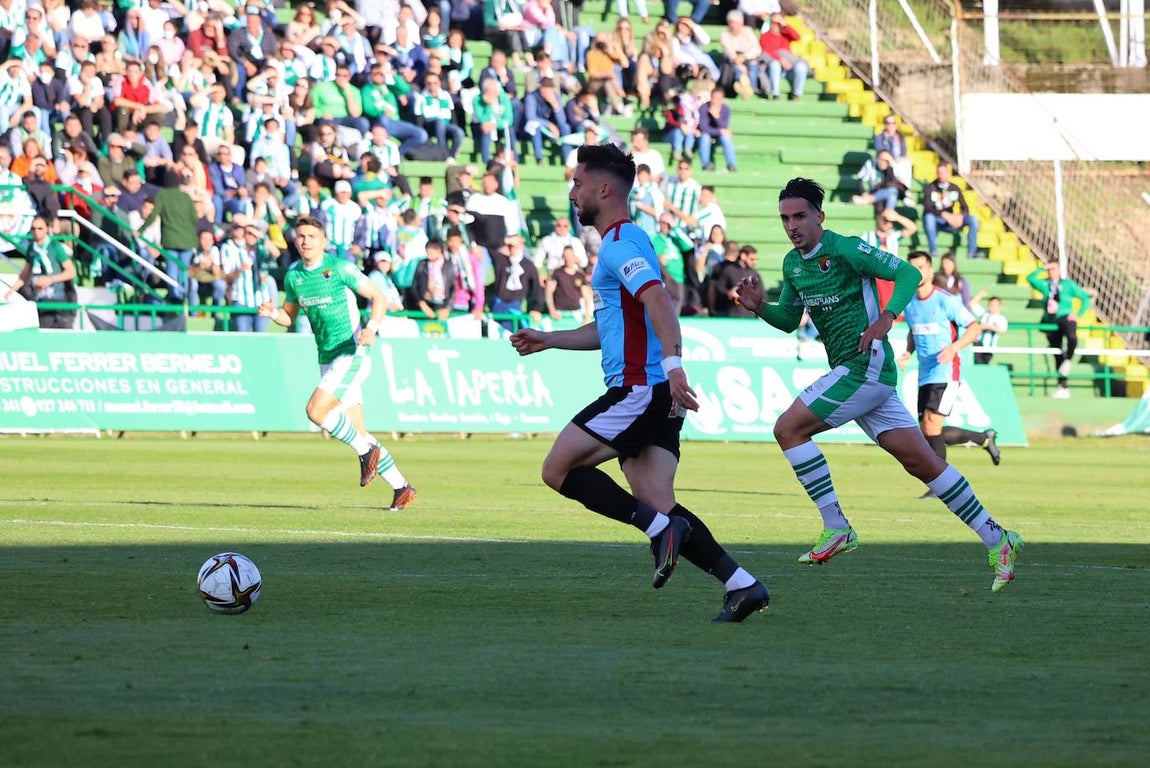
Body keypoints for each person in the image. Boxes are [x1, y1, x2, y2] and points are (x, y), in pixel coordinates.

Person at [510, 144, 769, 622]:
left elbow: (660, 304)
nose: (573, 193)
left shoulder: (622, 244)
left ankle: (656, 529)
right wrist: (548, 338)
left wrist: (673, 368)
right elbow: (609, 328)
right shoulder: (627, 242)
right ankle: (742, 584)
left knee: (558, 471)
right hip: (654, 393)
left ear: (603, 189)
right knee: (659, 501)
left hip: (641, 390)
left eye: (578, 184)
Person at [733, 177, 1023, 593]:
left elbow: (905, 273)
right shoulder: (793, 265)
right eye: (785, 218)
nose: (792, 225)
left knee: (788, 428)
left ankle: (836, 526)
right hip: (860, 373)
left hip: (864, 365)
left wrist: (886, 317)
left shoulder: (846, 249)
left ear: (820, 216)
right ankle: (999, 538)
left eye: (800, 216)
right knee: (922, 463)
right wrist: (760, 307)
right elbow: (788, 321)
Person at [258, 215, 418, 512]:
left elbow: (378, 297)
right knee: (359, 432)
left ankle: (365, 452)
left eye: (311, 236)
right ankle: (402, 486)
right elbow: (288, 316)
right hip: (326, 357)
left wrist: (372, 327)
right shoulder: (294, 276)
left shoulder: (340, 268)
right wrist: (273, 314)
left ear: (324, 241)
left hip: (351, 352)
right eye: (301, 236)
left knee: (316, 410)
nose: (306, 241)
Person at [899, 251, 1002, 490]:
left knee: (932, 426)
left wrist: (954, 348)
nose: (917, 272)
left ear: (930, 269)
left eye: (921, 267)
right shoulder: (911, 303)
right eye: (912, 268)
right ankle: (983, 438)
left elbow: (974, 328)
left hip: (946, 371)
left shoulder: (946, 300)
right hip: (925, 373)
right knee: (928, 430)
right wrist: (907, 352)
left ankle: (941, 486)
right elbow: (914, 331)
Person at [1027, 260, 1091, 399]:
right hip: (1050, 319)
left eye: (1054, 269)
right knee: (1057, 353)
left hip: (1064, 317)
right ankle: (1062, 386)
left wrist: (1078, 314)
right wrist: (1043, 268)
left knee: (1072, 338)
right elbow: (1030, 278)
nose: (1051, 272)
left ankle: (1069, 360)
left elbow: (1085, 298)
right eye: (1050, 269)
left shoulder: (1067, 285)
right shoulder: (1045, 284)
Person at [2, 215, 76, 329]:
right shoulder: (32, 248)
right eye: (34, 228)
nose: (36, 232)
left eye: (40, 228)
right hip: (40, 299)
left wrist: (51, 279)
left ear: (47, 229)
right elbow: (25, 273)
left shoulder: (55, 246)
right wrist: (12, 290)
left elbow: (71, 272)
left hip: (58, 300)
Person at [922, 161, 980, 258]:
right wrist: (944, 214)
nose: (941, 176)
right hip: (938, 219)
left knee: (973, 220)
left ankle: (972, 252)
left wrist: (961, 216)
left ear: (948, 173)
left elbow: (965, 207)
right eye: (939, 173)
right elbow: (928, 207)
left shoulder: (954, 188)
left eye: (943, 173)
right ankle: (933, 251)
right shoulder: (930, 188)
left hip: (952, 220)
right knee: (929, 218)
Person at [970, 291, 1008, 365]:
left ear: (1000, 307)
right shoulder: (984, 314)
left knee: (984, 364)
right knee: (978, 362)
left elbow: (1003, 329)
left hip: (989, 346)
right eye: (990, 305)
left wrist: (989, 326)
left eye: (994, 305)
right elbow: (972, 304)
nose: (991, 307)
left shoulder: (1001, 318)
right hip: (978, 343)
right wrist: (980, 295)